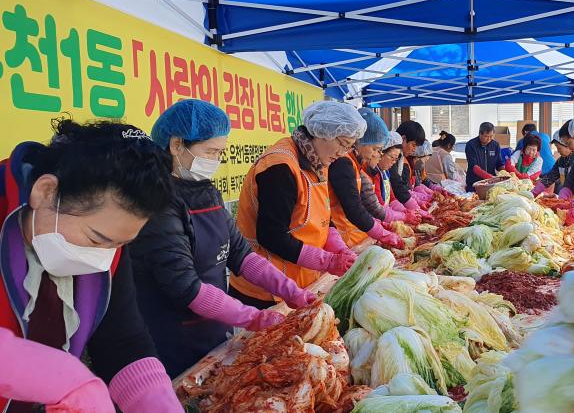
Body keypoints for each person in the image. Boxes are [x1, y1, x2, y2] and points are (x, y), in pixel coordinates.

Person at [0, 119, 181, 412]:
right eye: (96, 239)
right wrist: (64, 379)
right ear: (46, 192)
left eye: (120, 244)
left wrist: (155, 398)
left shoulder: (109, 249)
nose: (103, 257)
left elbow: (122, 339)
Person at [130, 100, 316, 378]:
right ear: (176, 144)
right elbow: (184, 286)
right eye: (210, 152)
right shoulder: (156, 204)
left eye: (219, 152)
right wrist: (251, 317)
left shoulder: (205, 191)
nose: (215, 161)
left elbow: (240, 254)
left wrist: (291, 291)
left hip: (214, 325)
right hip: (171, 337)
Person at [229, 101, 364, 309]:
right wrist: (326, 261)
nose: (343, 153)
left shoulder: (318, 160)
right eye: (343, 143)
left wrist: (338, 247)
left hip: (300, 281)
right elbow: (271, 235)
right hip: (266, 289)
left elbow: (321, 216)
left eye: (349, 147)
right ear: (322, 132)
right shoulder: (280, 167)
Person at [327, 108, 403, 249]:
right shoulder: (343, 162)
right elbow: (354, 208)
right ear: (360, 141)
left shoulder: (355, 164)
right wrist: (382, 233)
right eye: (374, 149)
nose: (375, 154)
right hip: (345, 239)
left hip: (354, 237)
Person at [368, 131, 425, 224]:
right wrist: (404, 216)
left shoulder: (385, 172)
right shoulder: (374, 175)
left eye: (396, 159)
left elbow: (392, 199)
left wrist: (406, 211)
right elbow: (380, 208)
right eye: (392, 158)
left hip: (385, 219)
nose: (394, 162)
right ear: (381, 153)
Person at [388, 120, 433, 209]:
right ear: (403, 139)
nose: (414, 150)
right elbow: (396, 184)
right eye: (413, 145)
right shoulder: (393, 158)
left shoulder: (401, 157)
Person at [532, 129, 574, 195]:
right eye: (556, 148)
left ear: (567, 145)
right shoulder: (561, 161)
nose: (558, 151)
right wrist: (534, 192)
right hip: (567, 199)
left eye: (559, 148)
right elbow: (550, 178)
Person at [466, 122, 504, 191]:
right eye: (486, 136)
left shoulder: (495, 145)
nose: (489, 139)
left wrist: (505, 173)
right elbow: (474, 167)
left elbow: (499, 164)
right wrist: (490, 177)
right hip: (475, 184)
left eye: (491, 136)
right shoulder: (471, 145)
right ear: (480, 134)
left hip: (491, 184)